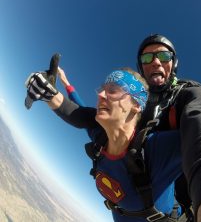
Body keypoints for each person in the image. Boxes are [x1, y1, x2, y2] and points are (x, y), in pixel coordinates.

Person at [25, 68, 184, 222]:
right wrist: (55, 89)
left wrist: (195, 100)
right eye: (102, 89)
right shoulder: (101, 137)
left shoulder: (156, 150)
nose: (101, 95)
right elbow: (77, 110)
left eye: (112, 91)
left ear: (136, 104)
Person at [136, 34, 201, 222]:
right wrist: (55, 97)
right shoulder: (134, 101)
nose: (156, 62)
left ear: (174, 63)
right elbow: (97, 120)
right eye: (147, 58)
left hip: (176, 212)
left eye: (164, 56)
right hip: (133, 206)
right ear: (141, 67)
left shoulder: (187, 92)